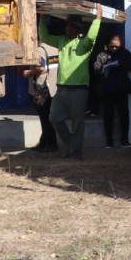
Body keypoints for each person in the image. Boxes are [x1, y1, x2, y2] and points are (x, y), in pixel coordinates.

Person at [48, 12, 101, 159]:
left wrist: (97, 19)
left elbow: (91, 37)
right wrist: (43, 20)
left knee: (77, 122)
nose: (68, 28)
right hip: (61, 89)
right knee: (54, 117)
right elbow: (45, 37)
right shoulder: (61, 41)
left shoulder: (84, 44)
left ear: (78, 28)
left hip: (79, 90)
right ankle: (72, 145)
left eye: (71, 26)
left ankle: (75, 152)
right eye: (67, 25)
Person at [94, 32, 131, 148]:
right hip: (107, 90)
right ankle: (109, 141)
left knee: (124, 115)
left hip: (121, 89)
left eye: (116, 46)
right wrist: (104, 65)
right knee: (108, 116)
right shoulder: (103, 55)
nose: (113, 48)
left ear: (120, 44)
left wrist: (120, 65)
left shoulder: (125, 53)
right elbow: (96, 69)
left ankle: (124, 140)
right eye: (111, 46)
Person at [24, 45, 59, 153]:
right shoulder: (55, 49)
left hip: (41, 91)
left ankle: (51, 145)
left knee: (45, 119)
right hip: (53, 88)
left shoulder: (39, 50)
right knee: (48, 118)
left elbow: (41, 68)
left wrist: (28, 73)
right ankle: (44, 142)